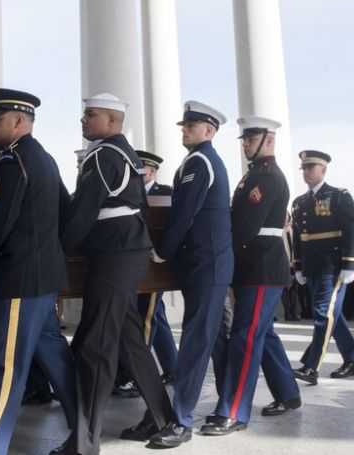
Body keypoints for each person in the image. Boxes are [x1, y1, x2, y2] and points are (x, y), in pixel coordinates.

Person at [62, 93, 177, 454]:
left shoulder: (102, 155)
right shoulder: (124, 153)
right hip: (124, 249)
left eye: (90, 114)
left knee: (95, 346)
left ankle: (85, 442)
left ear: (112, 121)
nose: (83, 120)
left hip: (114, 252)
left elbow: (82, 212)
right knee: (128, 340)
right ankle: (165, 419)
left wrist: (57, 251)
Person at [0, 88, 77, 455]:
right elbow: (66, 209)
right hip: (44, 277)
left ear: (19, 121)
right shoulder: (44, 158)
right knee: (55, 357)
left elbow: (0, 220)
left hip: (19, 278)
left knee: (6, 365)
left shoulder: (11, 161)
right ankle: (84, 432)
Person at [124, 100, 233, 447]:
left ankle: (181, 420)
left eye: (191, 125)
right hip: (204, 262)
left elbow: (184, 213)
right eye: (184, 125)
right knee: (211, 339)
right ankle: (227, 406)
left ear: (209, 131)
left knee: (196, 341)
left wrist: (163, 250)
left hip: (207, 262)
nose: (184, 130)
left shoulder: (200, 161)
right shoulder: (198, 160)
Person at [200, 117, 301, 436]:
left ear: (268, 140)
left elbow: (244, 226)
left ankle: (234, 411)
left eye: (251, 137)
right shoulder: (254, 175)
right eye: (244, 138)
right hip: (253, 267)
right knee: (262, 332)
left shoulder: (267, 176)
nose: (245, 142)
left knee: (245, 337)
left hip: (261, 268)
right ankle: (288, 392)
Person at [291, 150, 354, 385]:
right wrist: (298, 266)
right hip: (312, 267)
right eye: (303, 168)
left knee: (324, 313)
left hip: (333, 267)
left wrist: (350, 263)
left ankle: (311, 367)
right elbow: (299, 237)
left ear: (323, 170)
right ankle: (351, 359)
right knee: (333, 315)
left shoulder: (339, 196)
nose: (305, 173)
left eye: (310, 168)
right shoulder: (300, 202)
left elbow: (353, 229)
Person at [112, 149, 178, 398]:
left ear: (151, 170)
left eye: (141, 169)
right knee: (155, 317)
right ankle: (172, 367)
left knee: (146, 319)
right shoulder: (131, 192)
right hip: (134, 261)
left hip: (153, 266)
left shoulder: (165, 193)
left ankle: (133, 375)